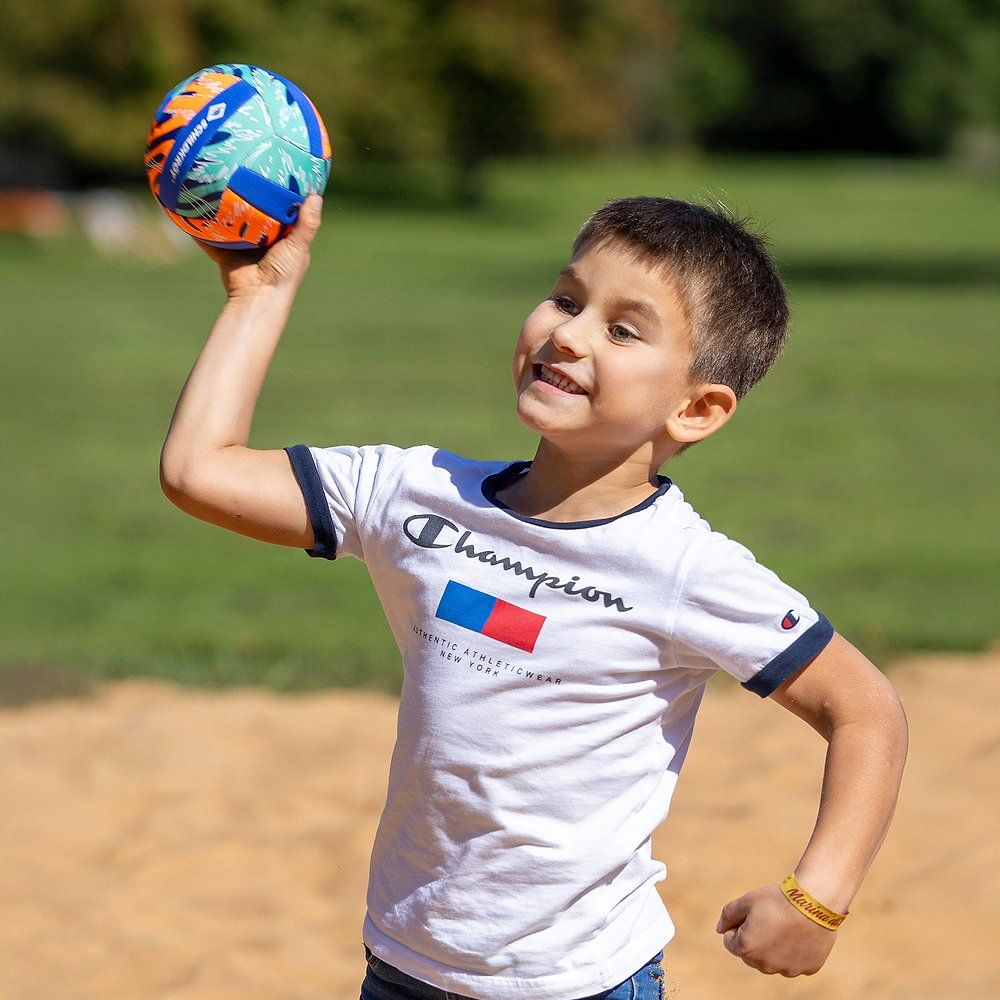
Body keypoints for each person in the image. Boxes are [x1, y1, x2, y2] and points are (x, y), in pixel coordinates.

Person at [160, 193, 909, 1000]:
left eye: (624, 330)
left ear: (696, 409)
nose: (569, 334)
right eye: (566, 298)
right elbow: (199, 471)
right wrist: (259, 295)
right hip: (405, 964)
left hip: (581, 984)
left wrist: (817, 899)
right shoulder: (416, 494)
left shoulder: (684, 569)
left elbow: (865, 710)